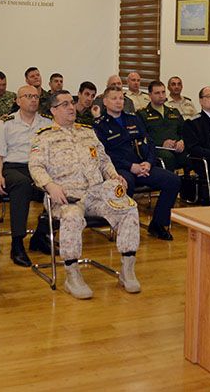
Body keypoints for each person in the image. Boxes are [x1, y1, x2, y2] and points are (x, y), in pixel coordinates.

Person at [29, 90, 141, 299]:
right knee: (71, 216)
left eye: (72, 103)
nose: (71, 107)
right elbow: (35, 167)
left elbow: (104, 160)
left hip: (96, 194)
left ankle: (128, 269)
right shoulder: (44, 136)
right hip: (66, 196)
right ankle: (72, 275)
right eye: (65, 105)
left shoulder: (87, 132)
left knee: (129, 208)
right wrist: (50, 186)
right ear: (53, 110)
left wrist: (114, 176)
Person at [94, 86, 181, 240]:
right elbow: (105, 154)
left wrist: (148, 162)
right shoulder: (100, 125)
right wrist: (130, 167)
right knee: (127, 183)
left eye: (121, 98)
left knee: (172, 180)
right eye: (114, 98)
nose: (119, 102)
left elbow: (150, 143)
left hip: (142, 166)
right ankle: (124, 226)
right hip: (119, 168)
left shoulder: (133, 119)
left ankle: (158, 224)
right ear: (105, 102)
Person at [0, 84, 53, 266]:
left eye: (36, 96)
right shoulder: (6, 123)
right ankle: (17, 244)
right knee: (22, 184)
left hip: (39, 168)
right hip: (13, 168)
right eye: (28, 96)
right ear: (18, 101)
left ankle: (41, 236)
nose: (33, 99)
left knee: (60, 185)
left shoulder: (47, 123)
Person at [138, 80, 188, 171]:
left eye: (163, 92)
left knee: (189, 154)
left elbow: (184, 131)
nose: (161, 96)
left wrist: (182, 141)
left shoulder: (174, 112)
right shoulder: (142, 114)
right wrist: (162, 143)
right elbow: (143, 137)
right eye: (157, 93)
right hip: (157, 148)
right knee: (167, 157)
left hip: (176, 147)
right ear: (150, 95)